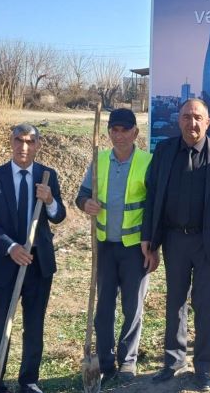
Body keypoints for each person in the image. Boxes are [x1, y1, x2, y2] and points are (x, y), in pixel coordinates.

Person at [141, 98, 210, 392]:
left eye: (198, 117)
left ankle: (204, 367)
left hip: (208, 242)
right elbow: (153, 196)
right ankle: (173, 361)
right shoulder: (164, 151)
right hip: (174, 240)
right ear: (179, 120)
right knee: (175, 302)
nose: (192, 123)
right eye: (186, 117)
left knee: (205, 305)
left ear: (208, 122)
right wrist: (149, 237)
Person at [0, 124, 67, 393]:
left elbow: (59, 216)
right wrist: (11, 247)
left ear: (38, 145)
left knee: (34, 324)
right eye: (18, 140)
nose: (23, 146)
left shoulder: (47, 176)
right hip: (3, 263)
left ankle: (29, 380)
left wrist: (50, 201)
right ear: (11, 142)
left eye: (29, 141)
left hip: (38, 264)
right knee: (0, 325)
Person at [75, 108, 155, 386]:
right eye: (114, 130)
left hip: (135, 249)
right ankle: (106, 361)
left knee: (132, 307)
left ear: (135, 132)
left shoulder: (147, 162)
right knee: (104, 308)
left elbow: (155, 207)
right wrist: (86, 203)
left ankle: (128, 360)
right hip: (105, 248)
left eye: (125, 130)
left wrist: (153, 246)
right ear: (109, 132)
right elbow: (81, 195)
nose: (119, 135)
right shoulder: (99, 161)